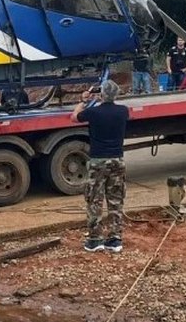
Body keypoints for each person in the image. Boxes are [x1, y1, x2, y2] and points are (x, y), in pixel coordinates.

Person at [70, 80, 129, 253]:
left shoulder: (93, 112)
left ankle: (95, 239)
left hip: (98, 161)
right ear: (116, 94)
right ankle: (115, 239)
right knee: (116, 199)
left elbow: (74, 117)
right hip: (117, 160)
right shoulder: (123, 111)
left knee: (94, 200)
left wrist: (84, 100)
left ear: (101, 94)